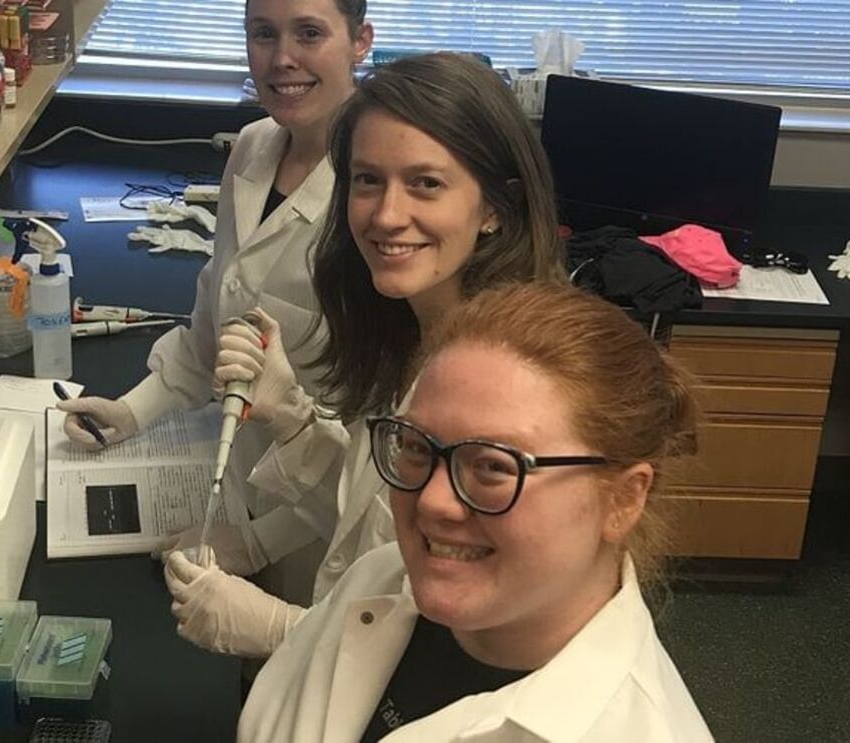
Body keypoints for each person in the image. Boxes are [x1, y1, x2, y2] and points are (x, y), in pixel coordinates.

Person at [164, 52, 564, 656]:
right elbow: (378, 513)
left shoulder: (509, 391)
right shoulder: (407, 327)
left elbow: (465, 642)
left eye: (426, 183)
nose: (386, 215)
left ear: (494, 209)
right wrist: (294, 419)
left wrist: (285, 633)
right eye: (368, 179)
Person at [237, 281, 713, 741]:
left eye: (492, 466)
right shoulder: (380, 578)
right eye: (417, 446)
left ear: (624, 499)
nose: (432, 501)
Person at [58, 0, 375, 606]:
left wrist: (256, 542)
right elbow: (215, 322)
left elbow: (374, 458)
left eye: (310, 33)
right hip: (233, 479)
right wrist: (132, 411)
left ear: (360, 40)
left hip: (322, 528)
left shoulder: (375, 196)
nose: (282, 58)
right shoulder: (254, 147)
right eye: (263, 33)